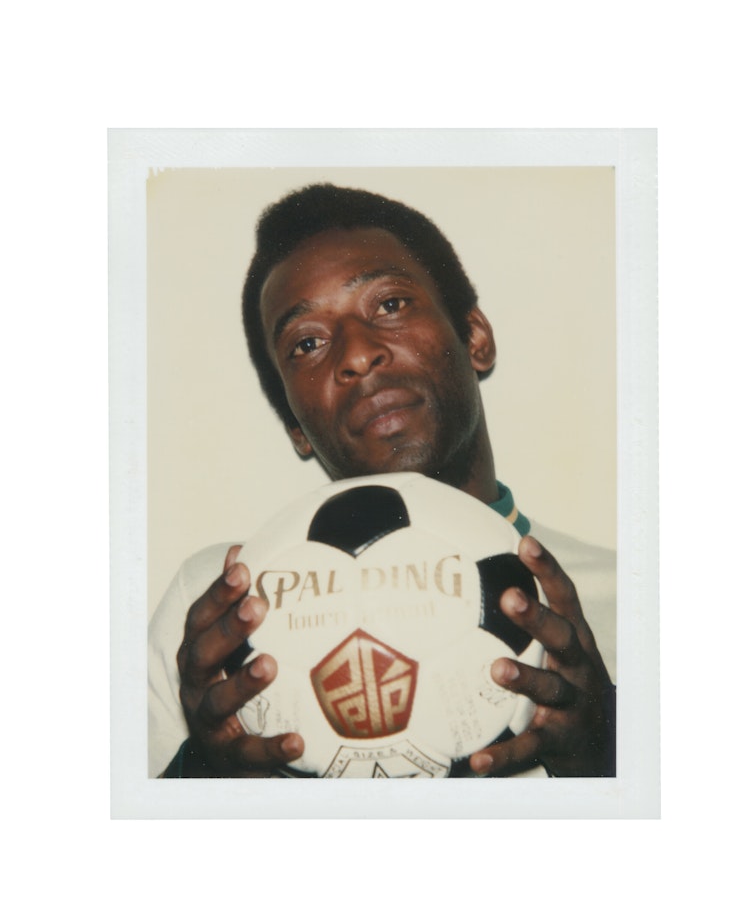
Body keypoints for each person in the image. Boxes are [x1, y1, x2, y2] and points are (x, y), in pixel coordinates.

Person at [149, 183, 617, 779]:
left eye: (390, 305)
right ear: (295, 426)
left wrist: (607, 750)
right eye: (308, 343)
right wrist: (206, 773)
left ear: (475, 339)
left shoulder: (632, 600)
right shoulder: (216, 610)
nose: (356, 354)